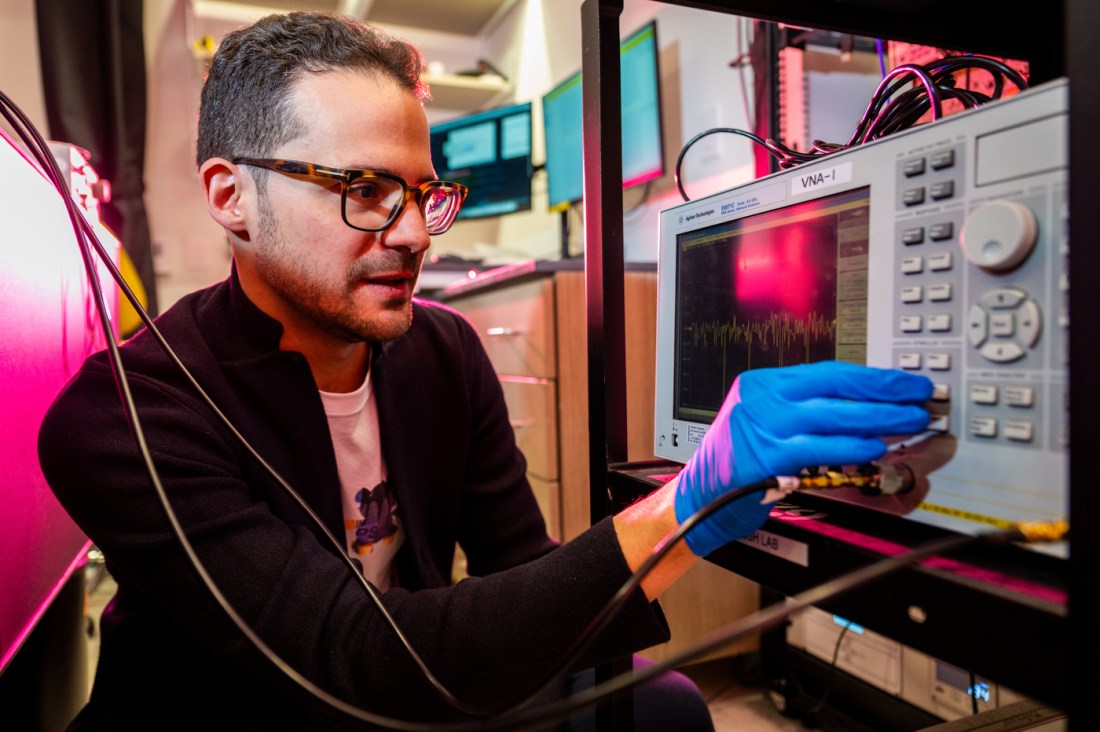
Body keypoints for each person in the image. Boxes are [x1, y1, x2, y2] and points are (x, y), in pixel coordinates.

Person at [37, 11, 934, 731]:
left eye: (424, 193)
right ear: (232, 197)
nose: (417, 233)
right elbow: (362, 662)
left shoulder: (442, 351)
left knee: (663, 709)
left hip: (418, 696)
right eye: (365, 190)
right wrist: (682, 505)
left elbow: (524, 575)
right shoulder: (124, 417)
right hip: (256, 711)